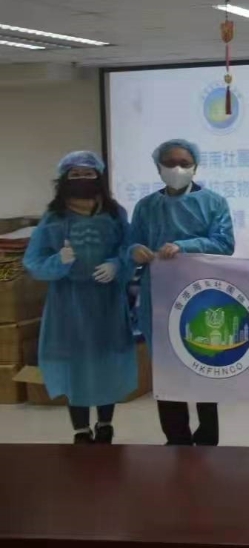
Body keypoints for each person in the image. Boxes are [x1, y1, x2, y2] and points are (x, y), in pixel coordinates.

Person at [23, 151, 137, 444]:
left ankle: (105, 424)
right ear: (64, 179)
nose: (82, 178)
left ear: (99, 177)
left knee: (106, 362)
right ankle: (81, 429)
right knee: (75, 366)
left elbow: (129, 248)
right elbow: (33, 261)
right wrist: (58, 261)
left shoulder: (115, 214)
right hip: (68, 304)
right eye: (75, 174)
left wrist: (117, 265)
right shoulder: (54, 219)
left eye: (88, 173)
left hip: (107, 302)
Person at [128, 139, 234, 446]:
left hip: (200, 295)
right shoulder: (146, 207)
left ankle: (208, 436)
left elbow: (224, 243)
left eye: (184, 163)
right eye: (170, 163)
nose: (177, 169)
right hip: (158, 297)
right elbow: (131, 243)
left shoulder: (213, 203)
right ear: (158, 167)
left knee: (203, 364)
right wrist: (135, 250)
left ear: (195, 167)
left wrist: (184, 246)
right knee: (166, 370)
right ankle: (175, 438)